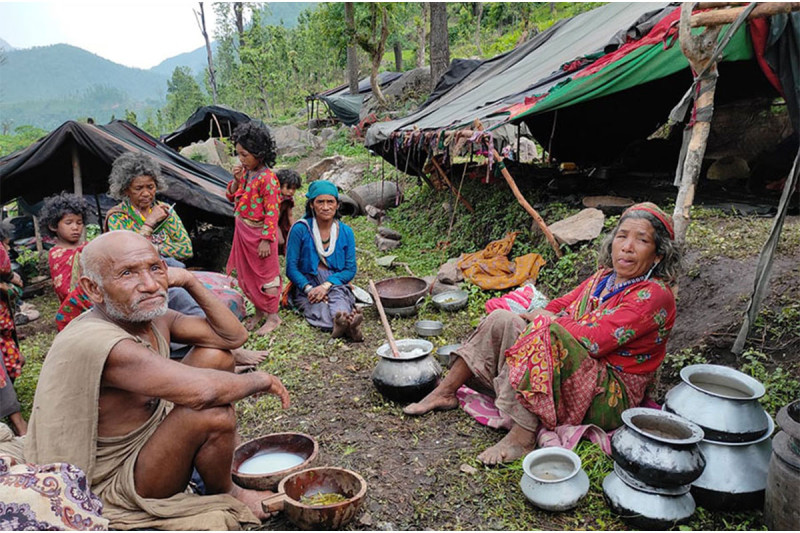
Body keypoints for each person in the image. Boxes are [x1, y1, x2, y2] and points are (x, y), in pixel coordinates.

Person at [25, 231, 290, 530]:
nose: (150, 285)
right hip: (115, 480)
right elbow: (202, 392)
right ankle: (227, 491)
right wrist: (261, 380)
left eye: (155, 268)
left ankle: (209, 468)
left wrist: (190, 281)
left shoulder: (147, 316)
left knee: (216, 357)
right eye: (127, 273)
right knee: (213, 412)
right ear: (93, 289)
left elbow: (233, 337)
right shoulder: (102, 342)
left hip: (148, 440)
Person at [404, 202, 681, 465]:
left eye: (642, 240)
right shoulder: (604, 278)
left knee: (544, 329)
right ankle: (445, 391)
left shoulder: (654, 294)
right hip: (578, 369)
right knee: (503, 318)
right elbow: (560, 305)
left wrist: (544, 321)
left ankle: (522, 436)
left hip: (608, 392)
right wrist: (537, 315)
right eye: (622, 236)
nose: (628, 247)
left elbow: (594, 341)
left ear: (658, 254)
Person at [285, 180, 362, 341]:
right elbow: (291, 268)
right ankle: (345, 326)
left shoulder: (346, 232)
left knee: (339, 299)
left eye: (330, 202)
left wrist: (326, 286)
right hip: (307, 284)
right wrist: (309, 289)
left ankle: (342, 322)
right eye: (320, 202)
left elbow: (350, 269)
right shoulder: (300, 229)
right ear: (312, 205)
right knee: (318, 306)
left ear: (337, 205)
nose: (326, 207)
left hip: (335, 282)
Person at [225, 121, 282, 335]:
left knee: (266, 275)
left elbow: (272, 210)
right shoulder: (248, 174)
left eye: (245, 155)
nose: (241, 159)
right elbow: (232, 195)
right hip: (244, 233)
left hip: (259, 236)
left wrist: (267, 239)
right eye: (239, 154)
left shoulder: (268, 179)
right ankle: (259, 311)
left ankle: (273, 316)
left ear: (259, 153)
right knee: (248, 273)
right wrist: (237, 180)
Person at [105, 152, 193, 260]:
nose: (146, 193)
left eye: (150, 187)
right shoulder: (118, 216)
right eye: (139, 188)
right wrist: (149, 223)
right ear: (125, 190)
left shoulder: (165, 210)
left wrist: (155, 249)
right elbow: (128, 253)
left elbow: (186, 249)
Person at [0, 220, 27, 437]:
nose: (7, 250)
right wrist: (9, 280)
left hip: (4, 326)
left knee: (12, 361)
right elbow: (6, 270)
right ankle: (17, 422)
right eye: (5, 245)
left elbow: (15, 289)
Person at [275, 168, 301, 256]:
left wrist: (295, 229)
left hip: (277, 223)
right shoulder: (274, 197)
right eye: (288, 188)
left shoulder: (288, 200)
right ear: (279, 185)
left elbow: (290, 216)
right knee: (280, 240)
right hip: (269, 222)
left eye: (294, 189)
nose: (291, 191)